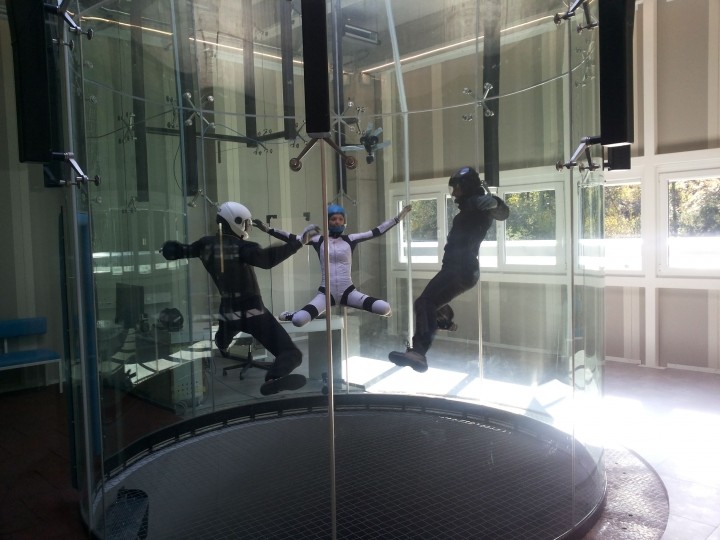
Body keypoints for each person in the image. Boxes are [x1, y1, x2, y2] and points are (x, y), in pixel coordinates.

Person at [159, 201, 320, 395]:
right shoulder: (243, 247)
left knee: (223, 339)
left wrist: (167, 249)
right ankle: (273, 378)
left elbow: (180, 251)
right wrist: (299, 242)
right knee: (291, 354)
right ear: (237, 222)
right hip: (253, 312)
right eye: (246, 223)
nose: (247, 227)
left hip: (228, 313)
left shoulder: (205, 244)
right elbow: (267, 259)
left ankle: (222, 340)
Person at [388, 166, 510, 373]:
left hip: (461, 269)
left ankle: (419, 353)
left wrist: (496, 202)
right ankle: (443, 320)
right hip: (459, 268)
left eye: (457, 188)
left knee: (425, 302)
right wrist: (493, 203)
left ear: (467, 186)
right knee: (428, 303)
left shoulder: (476, 204)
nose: (454, 193)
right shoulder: (472, 205)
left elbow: (503, 213)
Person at [253, 203, 412, 327]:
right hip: (325, 294)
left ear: (344, 222)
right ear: (327, 221)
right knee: (298, 321)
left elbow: (377, 231)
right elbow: (291, 237)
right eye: (333, 219)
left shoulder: (351, 239)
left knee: (384, 308)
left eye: (340, 219)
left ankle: (301, 314)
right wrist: (268, 229)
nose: (337, 221)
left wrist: (398, 218)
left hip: (348, 291)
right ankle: (292, 314)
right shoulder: (318, 240)